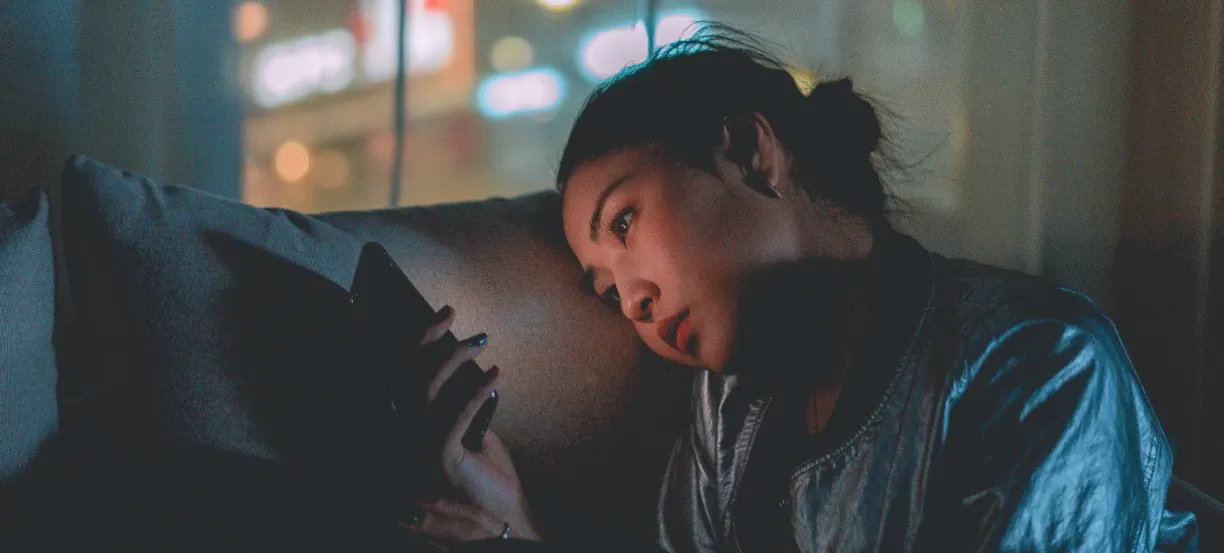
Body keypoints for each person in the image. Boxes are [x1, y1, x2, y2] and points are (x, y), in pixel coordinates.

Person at [402, 28, 1198, 553]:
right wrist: (517, 523)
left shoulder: (1040, 364)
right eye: (607, 293)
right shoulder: (727, 417)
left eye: (626, 222)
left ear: (751, 150)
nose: (634, 301)